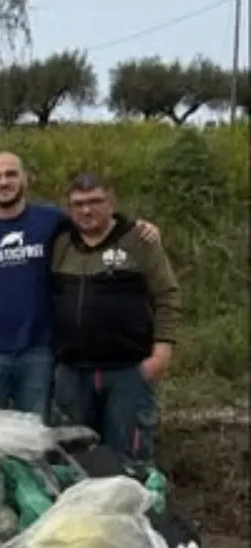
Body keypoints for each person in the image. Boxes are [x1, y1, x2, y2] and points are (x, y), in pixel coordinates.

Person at [0, 152, 160, 420]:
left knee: (35, 429)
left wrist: (135, 226)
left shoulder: (51, 220)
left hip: (39, 349)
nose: (4, 182)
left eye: (11, 174)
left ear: (25, 178)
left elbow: (93, 219)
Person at [49, 173, 180, 465]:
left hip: (128, 372)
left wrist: (162, 351)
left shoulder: (139, 241)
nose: (86, 210)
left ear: (112, 203)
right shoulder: (59, 244)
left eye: (95, 201)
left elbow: (167, 295)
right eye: (78, 204)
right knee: (75, 461)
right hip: (72, 374)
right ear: (69, 209)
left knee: (129, 460)